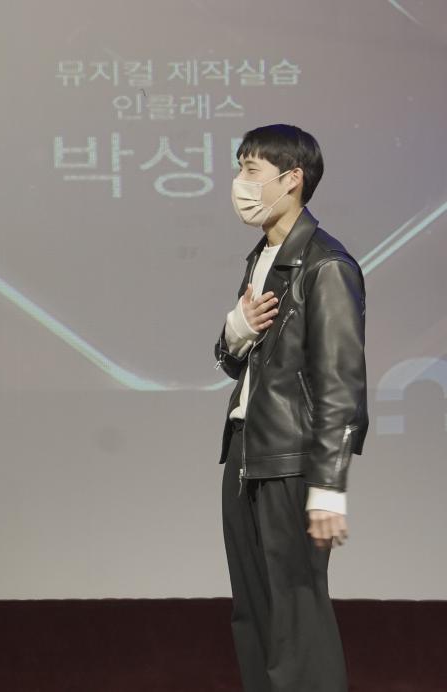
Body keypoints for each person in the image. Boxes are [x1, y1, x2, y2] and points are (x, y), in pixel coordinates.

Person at [214, 124, 368, 692]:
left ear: (291, 179)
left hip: (291, 461)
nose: (240, 183)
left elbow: (341, 384)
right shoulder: (264, 257)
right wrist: (235, 330)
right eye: (239, 168)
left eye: (251, 170)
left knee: (297, 619)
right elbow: (239, 362)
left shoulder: (326, 265)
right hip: (246, 454)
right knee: (254, 614)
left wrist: (328, 487)